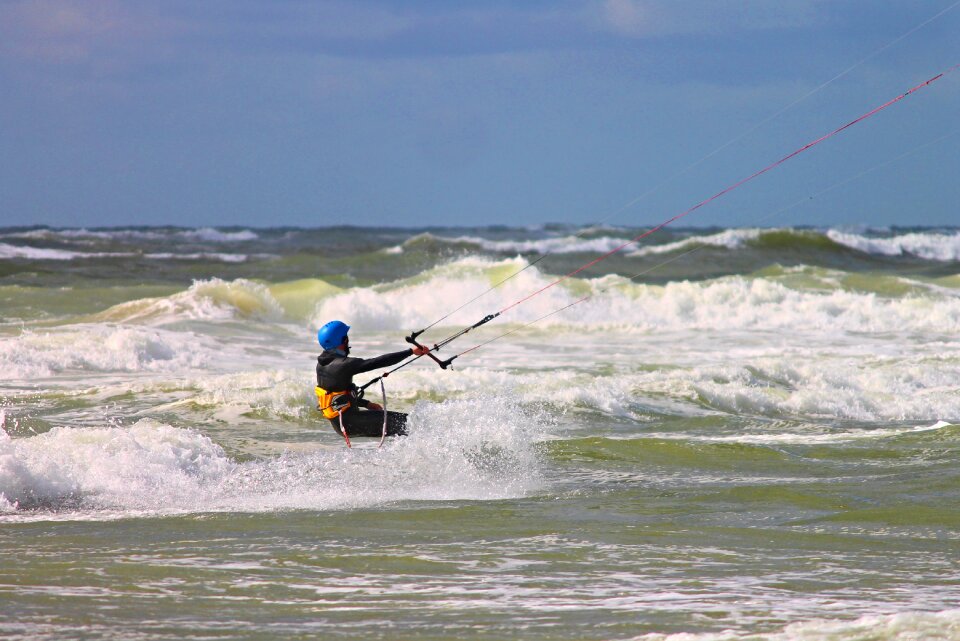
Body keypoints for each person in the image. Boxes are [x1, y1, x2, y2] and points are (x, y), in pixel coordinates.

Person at [314, 320, 429, 438]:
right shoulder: (344, 364)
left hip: (341, 424)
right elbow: (377, 362)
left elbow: (337, 396)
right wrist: (410, 352)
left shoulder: (321, 365)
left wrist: (367, 404)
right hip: (352, 423)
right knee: (411, 424)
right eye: (346, 338)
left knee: (403, 430)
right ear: (343, 340)